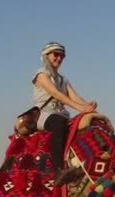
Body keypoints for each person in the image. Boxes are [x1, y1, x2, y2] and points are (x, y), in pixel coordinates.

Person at [32, 41, 97, 186]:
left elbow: (75, 97)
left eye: (62, 56)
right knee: (58, 123)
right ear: (46, 56)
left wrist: (89, 108)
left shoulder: (62, 79)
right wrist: (80, 108)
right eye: (56, 55)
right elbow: (56, 94)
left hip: (61, 113)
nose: (59, 58)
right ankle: (58, 171)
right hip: (44, 114)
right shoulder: (41, 74)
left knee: (91, 124)